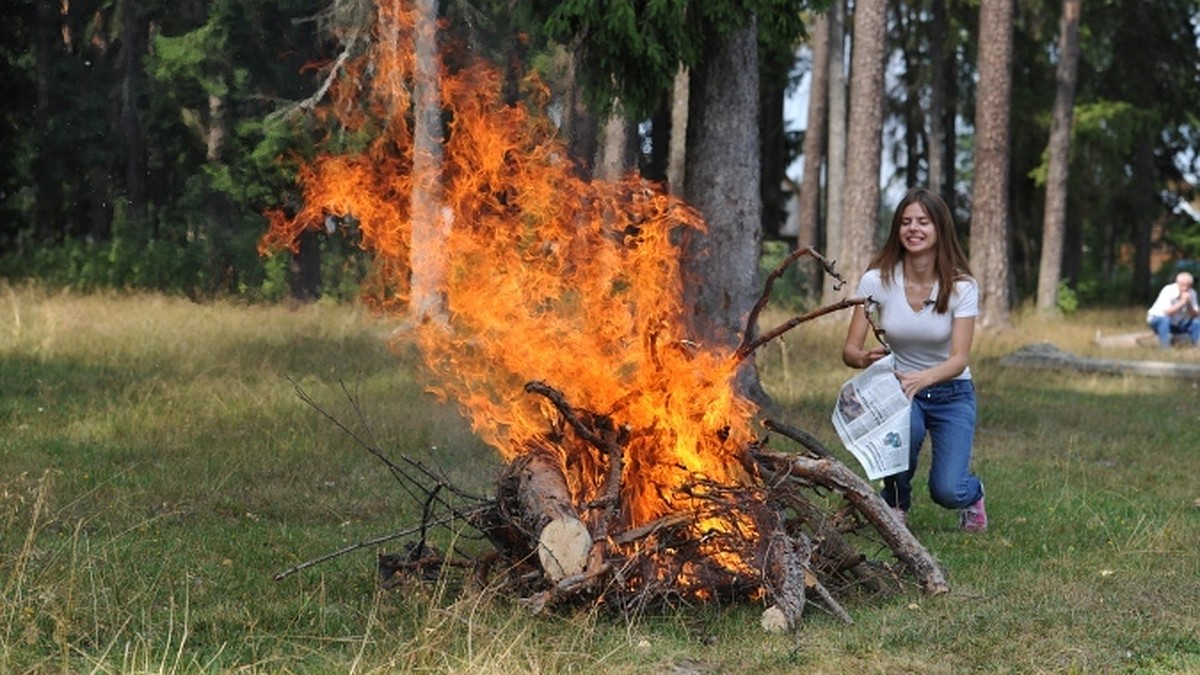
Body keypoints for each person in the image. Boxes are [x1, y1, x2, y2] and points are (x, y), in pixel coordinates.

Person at [841, 187, 987, 532]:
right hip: (900, 391)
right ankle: (895, 504)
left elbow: (959, 359)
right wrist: (863, 359)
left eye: (923, 221)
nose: (913, 228)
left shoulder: (962, 287)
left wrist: (923, 378)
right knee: (904, 437)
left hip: (953, 393)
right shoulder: (876, 280)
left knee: (947, 490)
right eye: (906, 221)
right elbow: (849, 349)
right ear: (897, 229)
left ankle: (974, 494)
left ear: (939, 229)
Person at [1146, 271, 1200, 348]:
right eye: (1183, 285)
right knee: (1165, 320)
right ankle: (1165, 347)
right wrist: (1182, 302)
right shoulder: (1168, 290)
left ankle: (1197, 346)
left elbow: (1195, 315)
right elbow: (1167, 312)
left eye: (1188, 285)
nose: (1185, 288)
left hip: (1178, 322)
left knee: (1196, 322)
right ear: (1177, 283)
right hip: (1157, 319)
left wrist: (1188, 304)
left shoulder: (1192, 293)